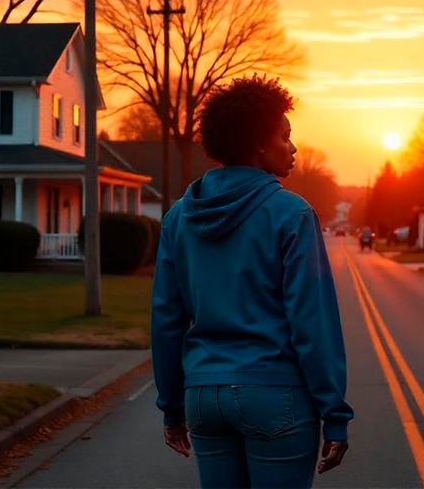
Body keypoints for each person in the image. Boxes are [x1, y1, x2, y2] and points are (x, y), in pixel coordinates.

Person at [151, 75, 354, 488]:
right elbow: (312, 322)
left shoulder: (177, 218)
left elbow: (166, 319)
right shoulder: (290, 213)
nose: (293, 148)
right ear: (260, 143)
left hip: (203, 398)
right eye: (286, 136)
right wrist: (334, 413)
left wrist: (172, 406)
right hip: (274, 394)